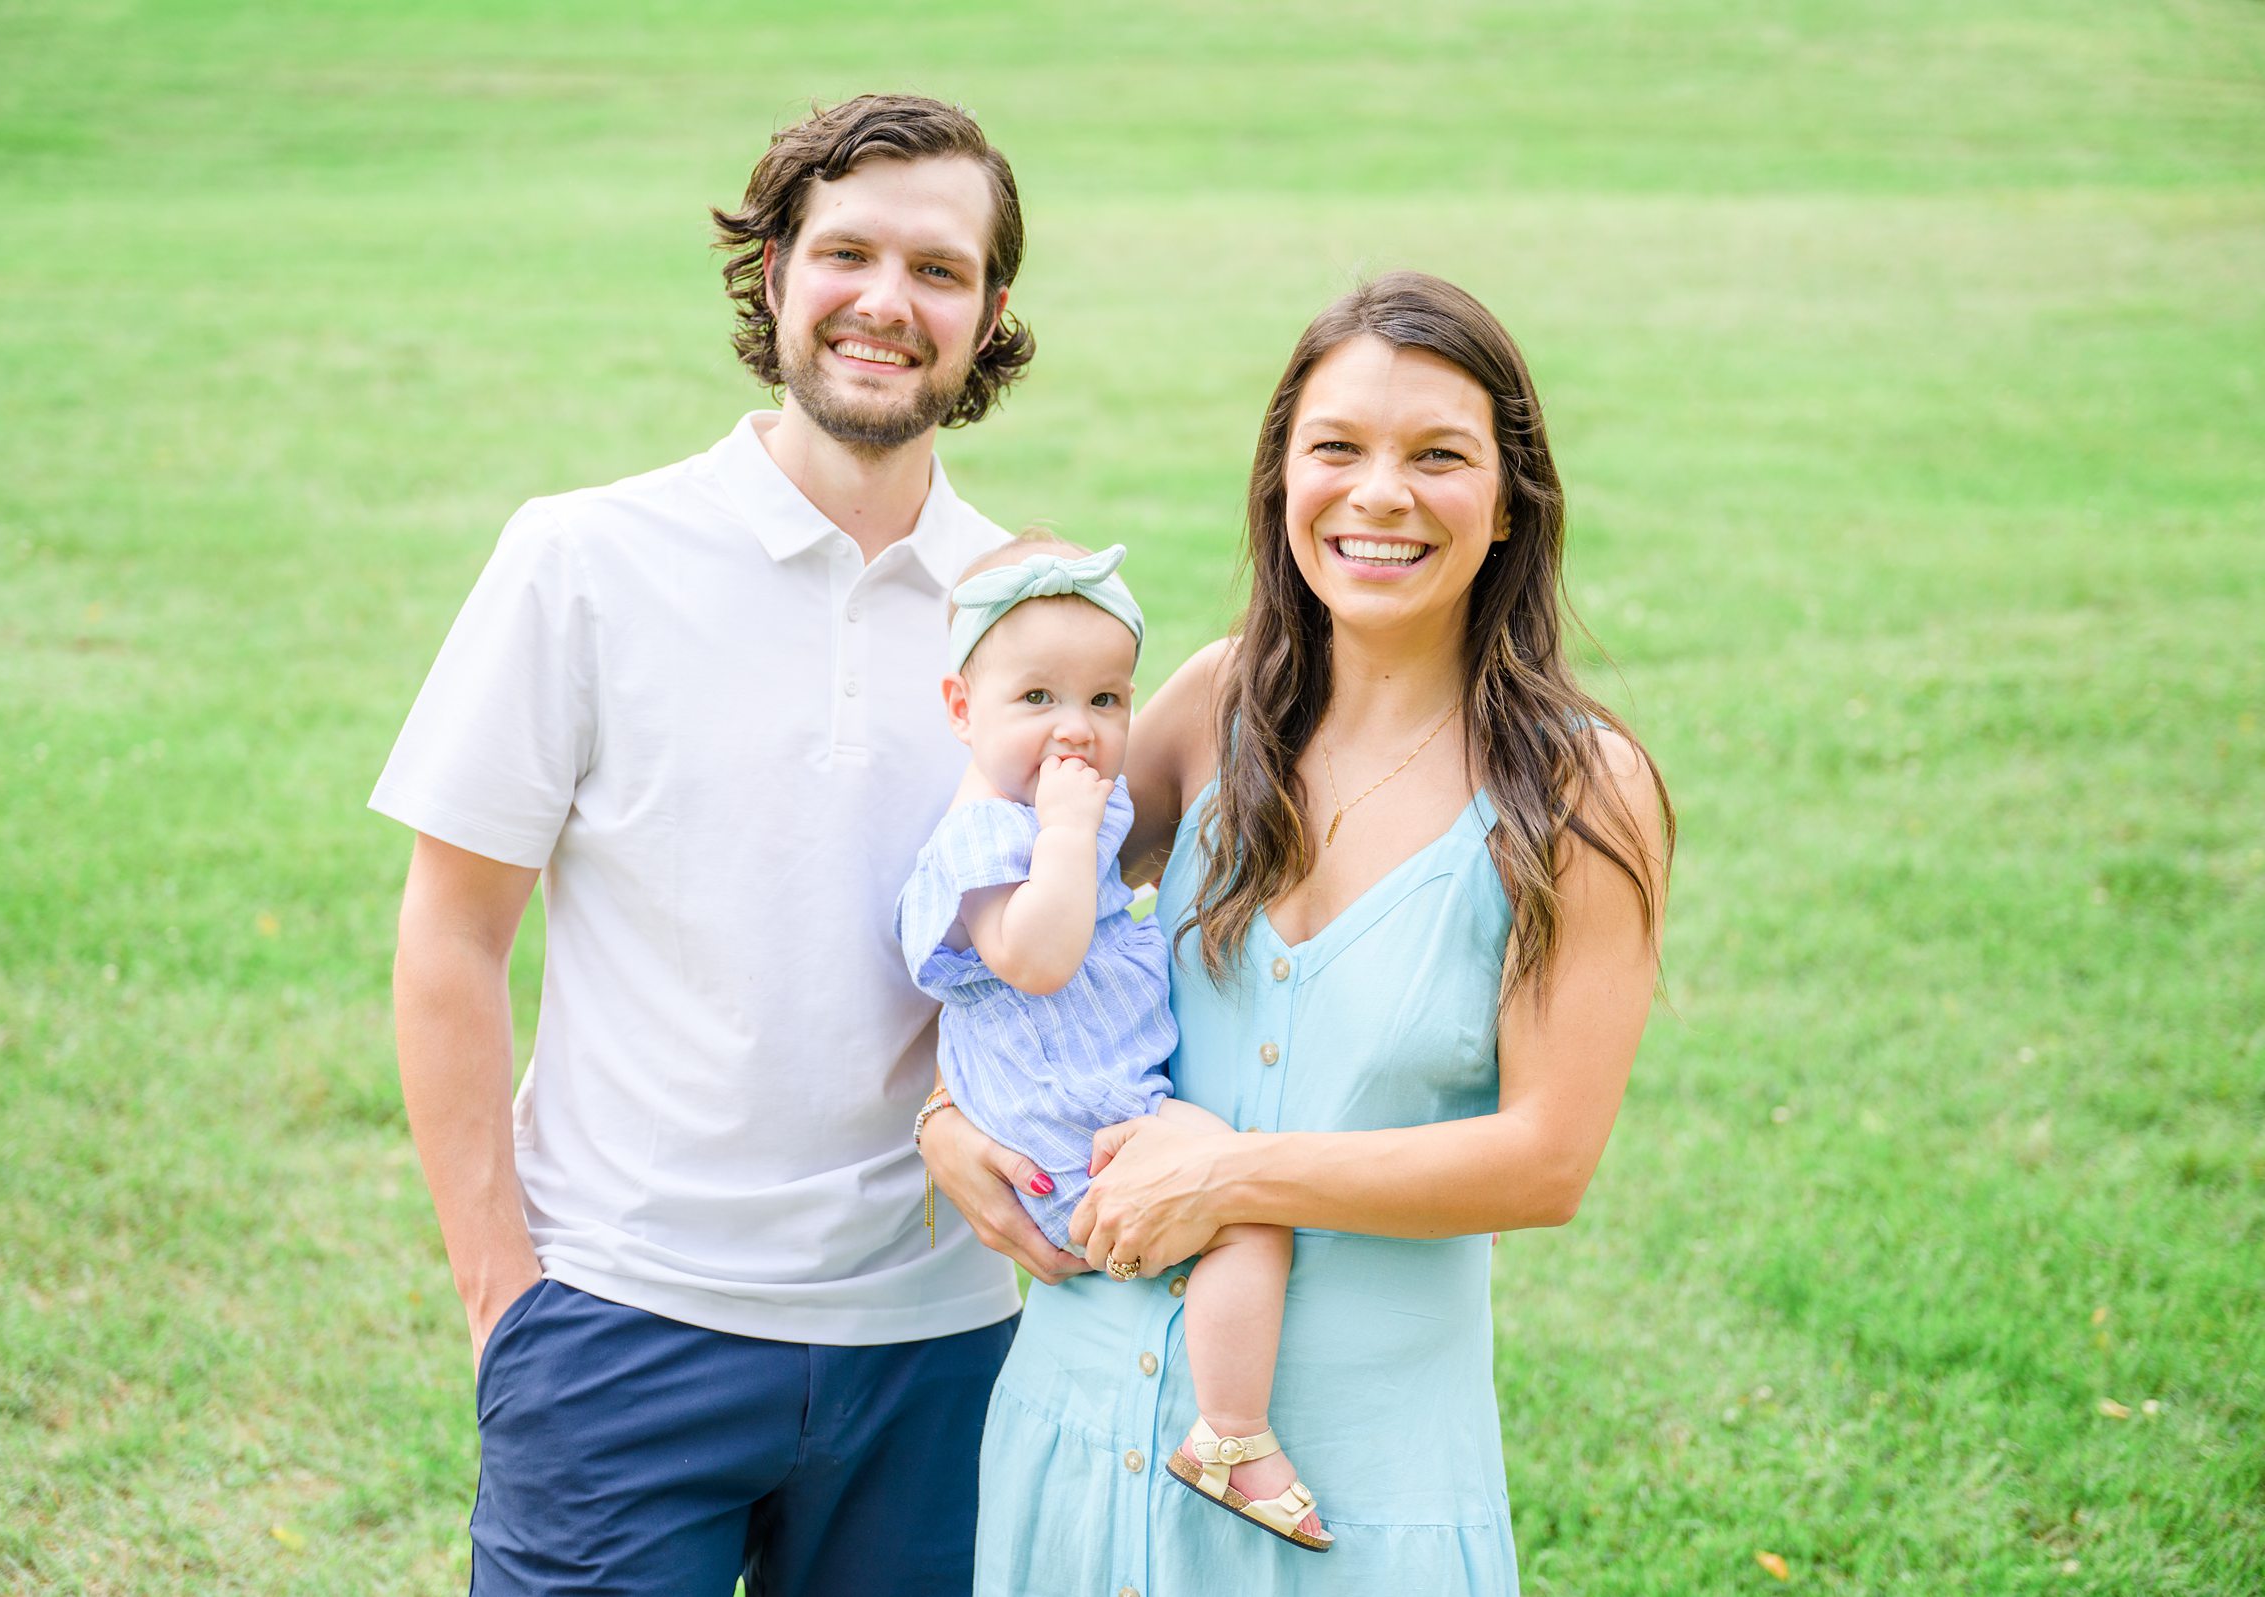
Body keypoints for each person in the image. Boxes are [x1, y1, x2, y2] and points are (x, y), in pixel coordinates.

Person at [369, 94, 1062, 1596]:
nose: (887, 302)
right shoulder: (585, 558)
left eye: (939, 270)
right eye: (847, 254)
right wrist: (506, 1302)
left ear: (990, 310)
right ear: (775, 276)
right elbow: (451, 937)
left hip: (940, 1349)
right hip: (624, 1329)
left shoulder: (1025, 615)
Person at [922, 270, 1674, 1595]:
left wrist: (1233, 1179)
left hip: (1357, 1492)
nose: (1379, 493)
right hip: (1079, 1428)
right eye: (1337, 449)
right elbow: (997, 896)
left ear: (1511, 503)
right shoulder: (1215, 704)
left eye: (1437, 456)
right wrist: (943, 1113)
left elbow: (1546, 1162)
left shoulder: (1577, 789)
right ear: (1282, 481)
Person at [897, 538, 1331, 1555]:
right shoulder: (990, 837)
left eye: (1105, 700)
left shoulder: (1058, 810)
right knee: (1247, 1213)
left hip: (1095, 1095)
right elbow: (1037, 957)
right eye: (1037, 697)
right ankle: (1230, 1435)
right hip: (1067, 1121)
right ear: (963, 709)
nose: (1076, 731)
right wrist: (1063, 833)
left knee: (1239, 1198)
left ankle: (1222, 1426)